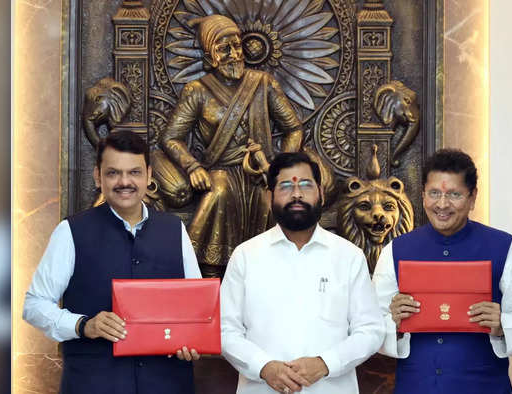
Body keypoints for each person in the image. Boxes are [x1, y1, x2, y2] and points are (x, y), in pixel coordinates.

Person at [22, 130, 202, 394]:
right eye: (113, 172)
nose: (124, 182)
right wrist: (84, 325)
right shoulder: (71, 231)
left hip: (167, 383)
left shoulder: (174, 229)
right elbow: (34, 305)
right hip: (94, 384)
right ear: (98, 176)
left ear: (149, 175)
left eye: (134, 172)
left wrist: (192, 342)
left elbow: (195, 306)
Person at [372, 149, 512, 394]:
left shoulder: (505, 248)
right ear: (422, 195)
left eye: (454, 194)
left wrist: (503, 324)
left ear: (472, 197)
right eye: (434, 193)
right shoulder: (395, 251)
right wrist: (394, 322)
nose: (442, 204)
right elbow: (371, 324)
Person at [220, 152, 384, 394]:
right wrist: (263, 367)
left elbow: (371, 330)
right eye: (286, 186)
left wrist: (325, 363)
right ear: (269, 197)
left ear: (321, 193)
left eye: (306, 185)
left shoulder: (349, 257)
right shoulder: (246, 256)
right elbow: (225, 329)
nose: (296, 194)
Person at [161, 14, 303, 277]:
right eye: (224, 48)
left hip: (260, 172)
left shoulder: (263, 83)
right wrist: (192, 167)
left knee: (268, 199)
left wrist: (279, 168)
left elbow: (293, 128)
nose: (234, 54)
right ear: (209, 53)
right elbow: (171, 137)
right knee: (220, 192)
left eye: (237, 46)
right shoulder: (197, 91)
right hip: (221, 171)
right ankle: (209, 273)